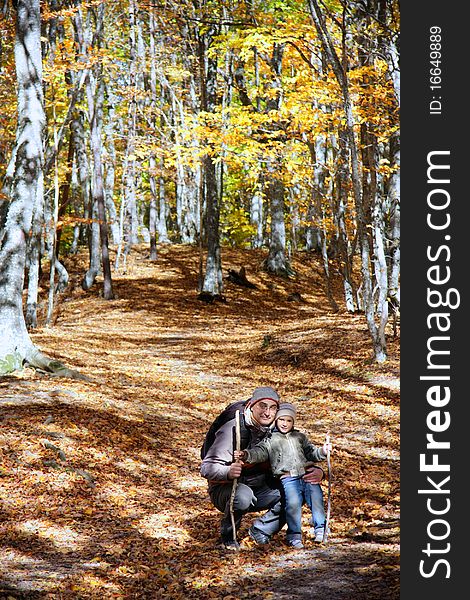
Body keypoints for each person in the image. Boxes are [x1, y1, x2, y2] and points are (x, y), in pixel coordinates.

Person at [200, 387, 324, 551]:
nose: (267, 413)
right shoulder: (233, 428)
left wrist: (318, 471)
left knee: (296, 489)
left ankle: (261, 530)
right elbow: (206, 467)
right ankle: (229, 536)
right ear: (252, 405)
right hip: (225, 487)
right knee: (242, 495)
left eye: (272, 408)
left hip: (259, 485)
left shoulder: (279, 428)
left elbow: (296, 458)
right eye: (262, 406)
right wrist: (228, 472)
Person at [235, 402, 331, 548]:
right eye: (281, 420)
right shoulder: (271, 440)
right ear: (276, 420)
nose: (285, 424)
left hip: (306, 474)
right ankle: (294, 535)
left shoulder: (299, 437)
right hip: (288, 478)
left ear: (293, 422)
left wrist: (323, 451)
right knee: (293, 504)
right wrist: (246, 454)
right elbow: (259, 452)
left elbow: (311, 453)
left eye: (289, 420)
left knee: (316, 499)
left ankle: (320, 528)